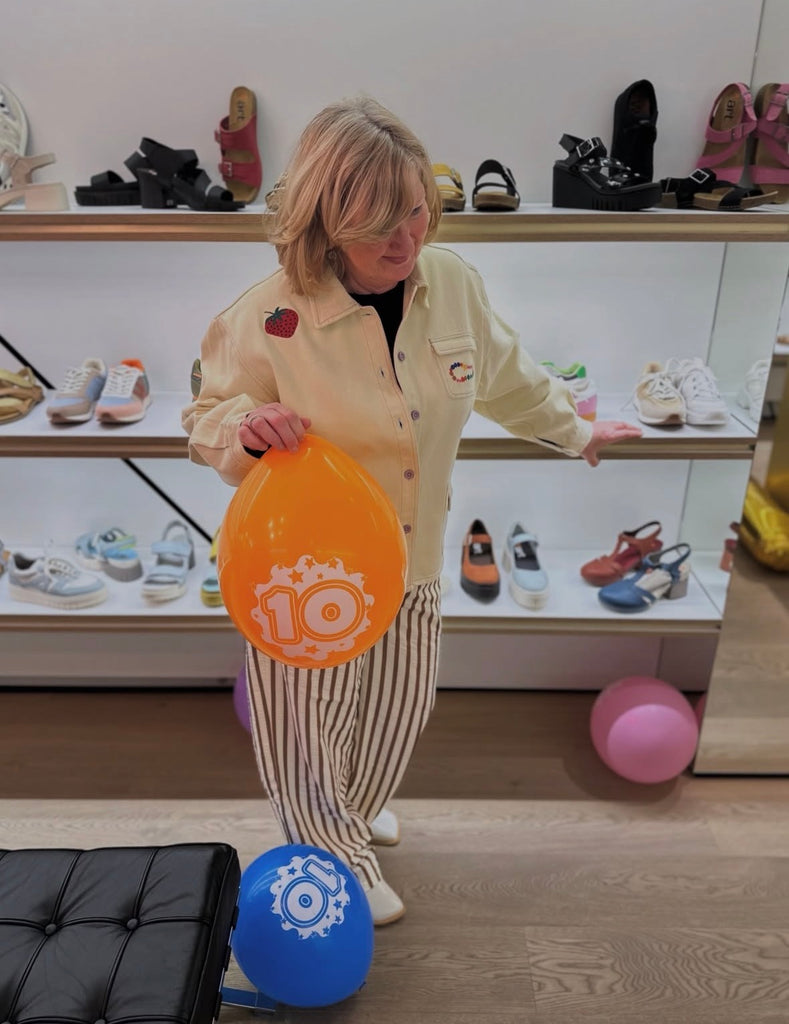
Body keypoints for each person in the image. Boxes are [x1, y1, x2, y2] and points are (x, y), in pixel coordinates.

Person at [182, 96, 642, 926]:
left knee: (398, 711)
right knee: (306, 727)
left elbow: (505, 376)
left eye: (417, 212)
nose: (406, 241)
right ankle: (331, 852)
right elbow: (206, 419)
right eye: (378, 224)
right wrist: (248, 429)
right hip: (303, 573)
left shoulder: (451, 284)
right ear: (328, 220)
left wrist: (575, 429)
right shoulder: (266, 317)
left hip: (412, 554)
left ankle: (351, 809)